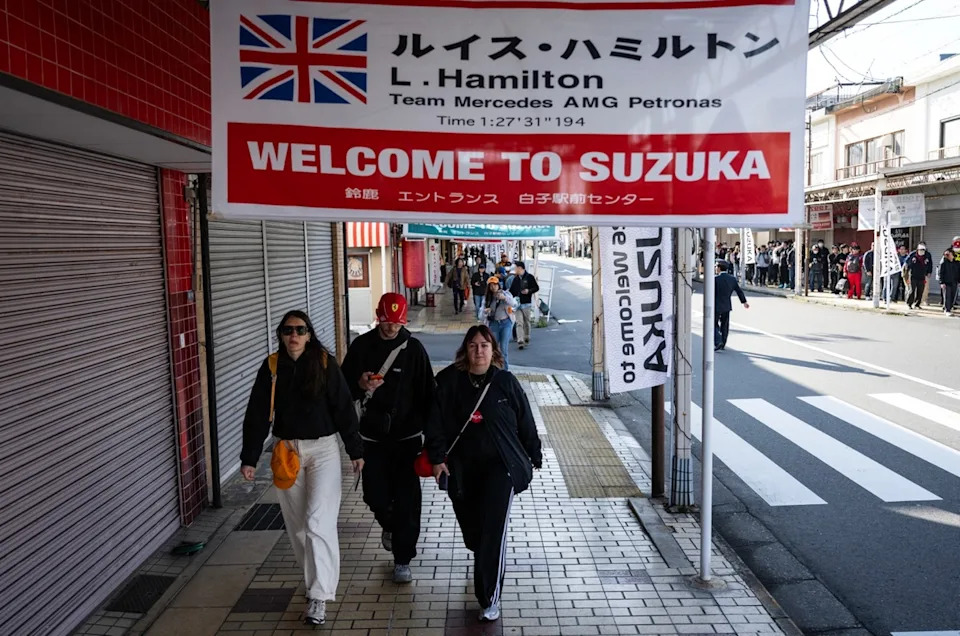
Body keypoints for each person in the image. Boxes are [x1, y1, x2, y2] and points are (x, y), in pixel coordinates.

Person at [240, 311, 363, 626]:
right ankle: (312, 586)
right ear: (281, 334)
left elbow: (343, 407)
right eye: (287, 330)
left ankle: (320, 596)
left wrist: (355, 450)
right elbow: (257, 414)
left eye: (300, 330)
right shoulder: (271, 368)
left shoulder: (324, 363)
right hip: (287, 452)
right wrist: (250, 457)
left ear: (309, 334)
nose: (293, 335)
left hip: (323, 450)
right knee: (298, 528)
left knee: (317, 522)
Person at [425, 325, 542, 623]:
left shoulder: (505, 382)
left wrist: (534, 453)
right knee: (474, 533)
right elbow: (434, 422)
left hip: (500, 468)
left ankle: (489, 597)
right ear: (465, 349)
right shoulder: (449, 381)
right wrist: (437, 459)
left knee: (492, 532)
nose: (479, 351)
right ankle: (482, 556)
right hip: (461, 468)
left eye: (485, 345)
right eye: (474, 345)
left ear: (494, 350)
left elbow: (525, 419)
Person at [340, 294, 436, 584]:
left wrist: (433, 442)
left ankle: (403, 559)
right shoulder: (361, 347)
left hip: (407, 438)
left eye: (396, 324)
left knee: (408, 500)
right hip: (371, 438)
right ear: (378, 316)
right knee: (375, 495)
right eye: (386, 322)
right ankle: (390, 525)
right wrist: (359, 385)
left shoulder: (414, 350)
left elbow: (428, 396)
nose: (391, 328)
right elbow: (342, 394)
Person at [479, 276, 516, 370]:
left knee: (504, 349)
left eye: (495, 284)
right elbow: (480, 315)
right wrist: (485, 311)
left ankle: (505, 372)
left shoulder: (505, 294)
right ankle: (493, 370)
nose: (493, 287)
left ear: (499, 285)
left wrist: (504, 298)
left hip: (505, 323)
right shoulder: (487, 298)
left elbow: (513, 303)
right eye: (491, 285)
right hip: (493, 324)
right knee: (493, 349)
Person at [714, 261, 749, 351]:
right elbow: (739, 291)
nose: (715, 268)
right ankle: (723, 342)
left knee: (713, 324)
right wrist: (744, 302)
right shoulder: (732, 279)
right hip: (727, 305)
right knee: (725, 325)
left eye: (716, 266)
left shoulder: (715, 279)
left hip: (716, 304)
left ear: (719, 268)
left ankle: (718, 341)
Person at [507, 261, 540, 350]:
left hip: (526, 303)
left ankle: (527, 336)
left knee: (527, 322)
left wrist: (528, 291)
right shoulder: (516, 279)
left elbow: (536, 288)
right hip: (517, 304)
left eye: (516, 268)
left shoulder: (529, 277)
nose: (515, 269)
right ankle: (520, 340)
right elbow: (511, 291)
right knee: (519, 322)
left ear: (520, 268)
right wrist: (508, 297)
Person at [904, 243, 934, 309]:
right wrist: (907, 269)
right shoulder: (913, 254)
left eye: (923, 250)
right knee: (912, 290)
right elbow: (906, 262)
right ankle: (909, 303)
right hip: (913, 274)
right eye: (920, 250)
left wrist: (929, 272)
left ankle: (917, 304)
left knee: (920, 290)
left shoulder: (927, 255)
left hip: (922, 275)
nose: (921, 251)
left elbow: (930, 264)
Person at [938, 249, 960, 315]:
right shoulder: (943, 263)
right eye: (946, 254)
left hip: (954, 282)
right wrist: (941, 282)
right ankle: (947, 310)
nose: (947, 256)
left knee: (953, 296)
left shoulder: (957, 263)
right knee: (947, 296)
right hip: (946, 283)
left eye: (948, 254)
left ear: (952, 255)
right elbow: (940, 273)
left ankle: (949, 308)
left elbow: (959, 273)